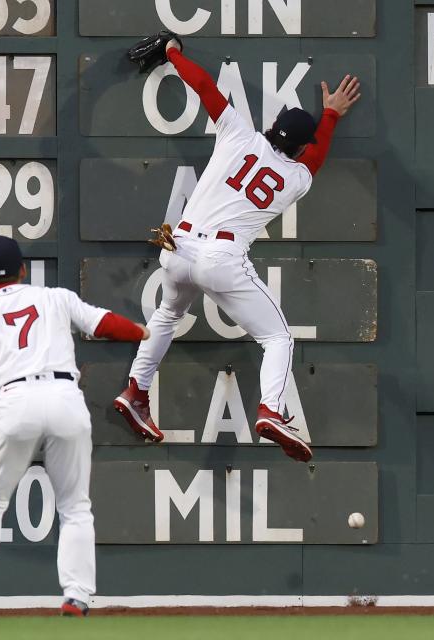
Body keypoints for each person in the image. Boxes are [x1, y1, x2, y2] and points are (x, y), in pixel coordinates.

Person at [114, 41, 361, 462]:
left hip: (178, 249)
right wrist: (332, 113)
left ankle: (136, 391)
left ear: (274, 124)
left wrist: (172, 53)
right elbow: (315, 155)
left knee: (168, 315)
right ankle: (271, 410)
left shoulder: (238, 132)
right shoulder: (296, 177)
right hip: (221, 260)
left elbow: (205, 87)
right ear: (299, 148)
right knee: (277, 337)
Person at [0, 235, 150, 617]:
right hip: (65, 396)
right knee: (75, 505)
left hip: (15, 402)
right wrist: (141, 332)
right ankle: (76, 595)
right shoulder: (54, 298)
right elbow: (103, 324)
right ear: (22, 271)